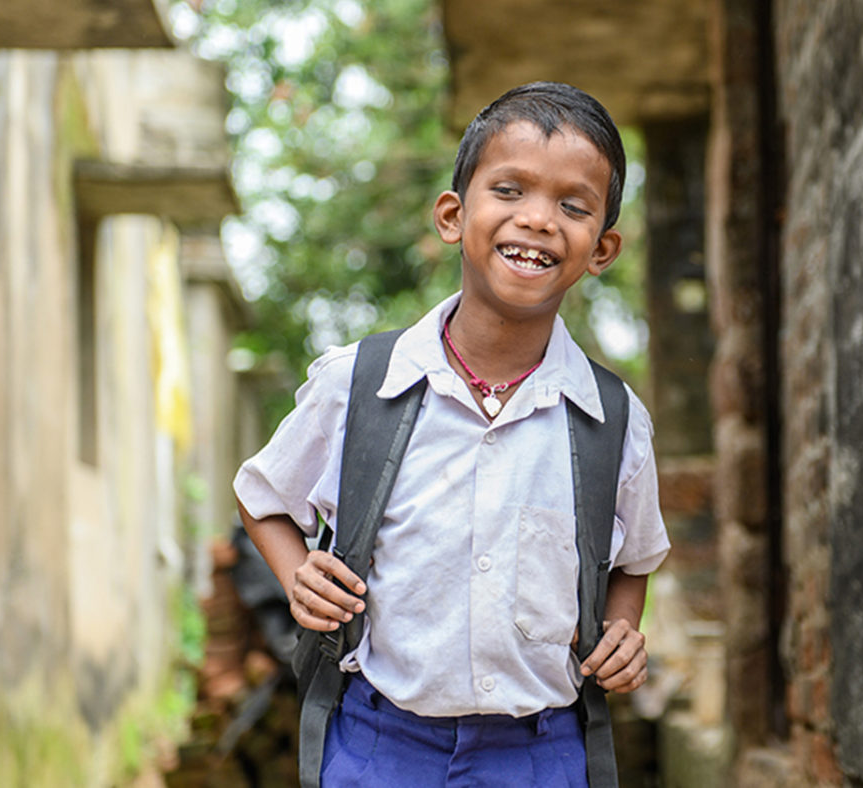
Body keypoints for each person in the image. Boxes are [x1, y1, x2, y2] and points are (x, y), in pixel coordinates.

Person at [234, 81, 670, 786]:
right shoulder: (359, 385)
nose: (537, 219)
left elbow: (633, 558)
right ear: (451, 215)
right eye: (509, 190)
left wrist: (621, 630)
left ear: (602, 248)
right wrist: (298, 576)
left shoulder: (612, 421)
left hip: (541, 751)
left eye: (572, 205)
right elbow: (261, 496)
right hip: (382, 741)